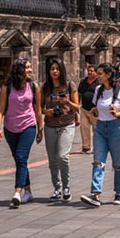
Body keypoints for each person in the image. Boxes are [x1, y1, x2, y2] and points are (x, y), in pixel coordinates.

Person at [80, 63, 120, 207]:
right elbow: (96, 108)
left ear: (109, 75)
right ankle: (95, 194)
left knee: (118, 162)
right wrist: (95, 112)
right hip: (100, 128)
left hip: (116, 127)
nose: (97, 76)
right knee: (98, 161)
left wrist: (118, 113)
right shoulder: (98, 90)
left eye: (100, 73)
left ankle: (118, 191)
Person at [0, 57, 43, 208]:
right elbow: (0, 108)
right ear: (19, 70)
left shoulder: (34, 87)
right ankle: (28, 191)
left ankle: (17, 192)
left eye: (30, 67)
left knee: (21, 157)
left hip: (28, 126)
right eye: (27, 67)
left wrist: (39, 129)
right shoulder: (7, 87)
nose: (30, 70)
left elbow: (38, 109)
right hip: (10, 128)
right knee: (19, 160)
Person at [41, 58, 80, 203]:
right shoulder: (45, 87)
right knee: (52, 160)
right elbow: (38, 108)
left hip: (66, 125)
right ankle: (57, 188)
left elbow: (77, 107)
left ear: (62, 70)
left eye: (57, 69)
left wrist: (67, 102)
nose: (55, 71)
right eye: (52, 69)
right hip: (50, 126)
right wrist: (47, 112)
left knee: (63, 156)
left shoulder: (70, 85)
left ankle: (66, 187)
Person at [77, 64, 99, 154]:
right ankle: (86, 147)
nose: (89, 72)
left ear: (96, 73)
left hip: (95, 109)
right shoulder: (83, 82)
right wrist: (77, 105)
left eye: (92, 71)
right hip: (84, 109)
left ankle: (97, 147)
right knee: (84, 127)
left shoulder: (98, 82)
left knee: (96, 129)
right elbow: (78, 94)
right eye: (88, 71)